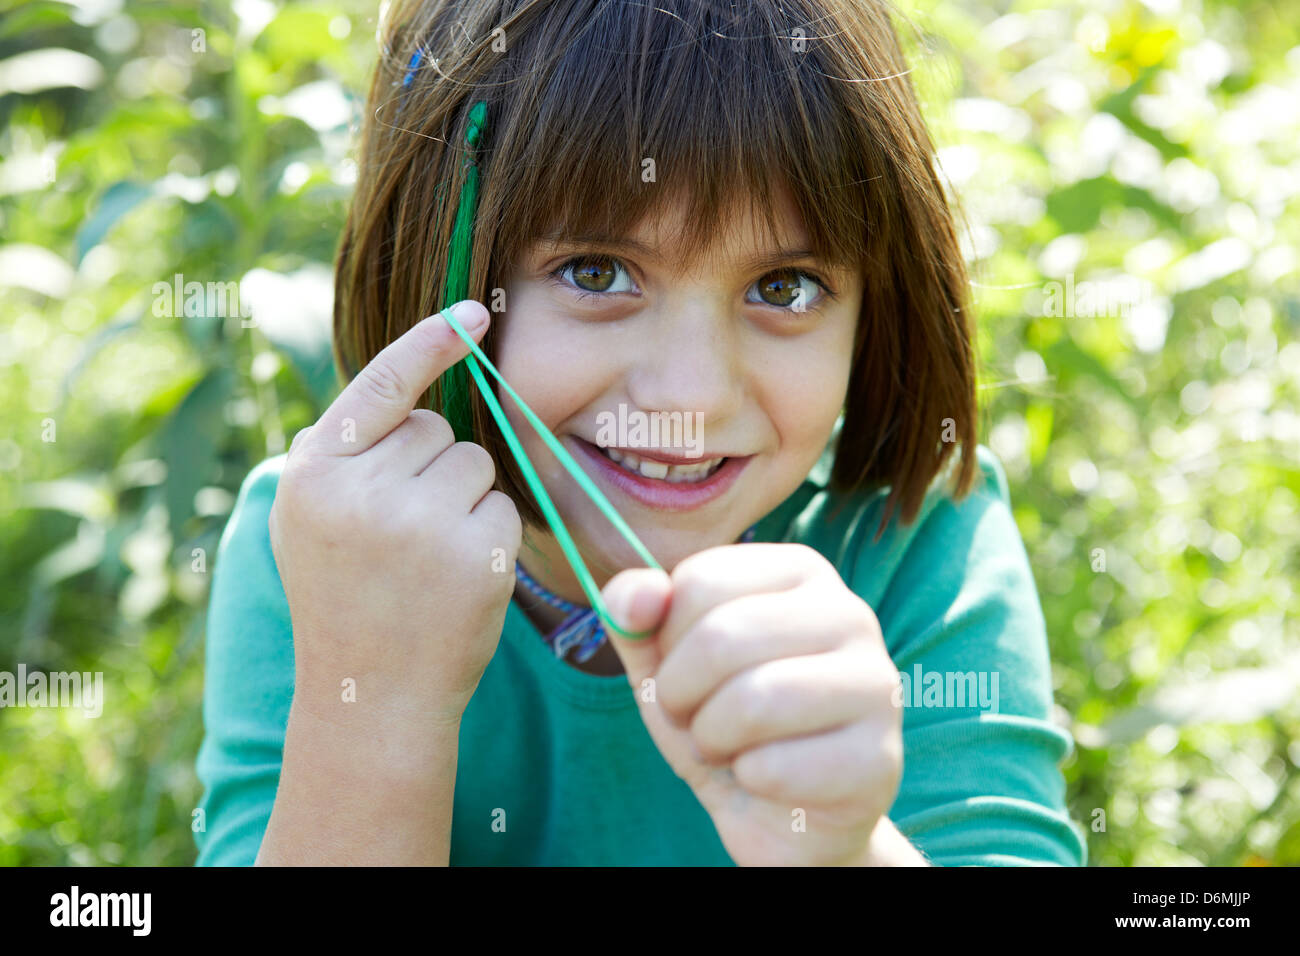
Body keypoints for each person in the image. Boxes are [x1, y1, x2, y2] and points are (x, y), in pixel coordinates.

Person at [194, 0, 1087, 866]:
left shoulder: (911, 536)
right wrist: (377, 707)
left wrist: (841, 853)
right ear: (436, 260)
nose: (690, 397)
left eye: (784, 288)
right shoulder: (329, 545)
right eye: (596, 271)